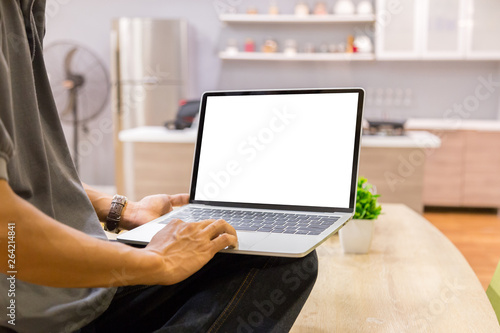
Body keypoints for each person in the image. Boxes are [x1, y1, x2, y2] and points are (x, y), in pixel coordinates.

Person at [0, 1, 318, 332]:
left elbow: (26, 174)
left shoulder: (25, 11)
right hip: (26, 310)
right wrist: (155, 260)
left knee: (277, 258)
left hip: (79, 290)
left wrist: (121, 210)